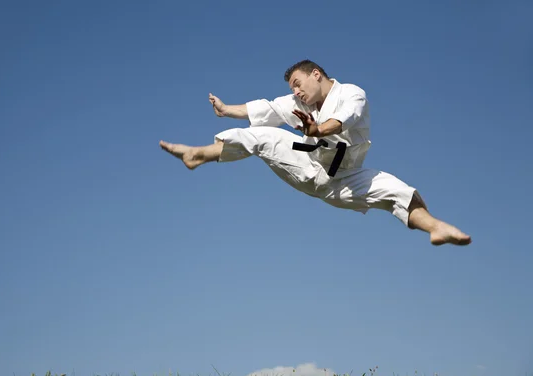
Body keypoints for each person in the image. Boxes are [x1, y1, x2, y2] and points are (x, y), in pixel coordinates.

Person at [159, 60, 471, 246]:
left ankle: (436, 228)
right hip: (307, 165)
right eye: (292, 88)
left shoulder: (351, 93)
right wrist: (226, 110)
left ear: (316, 74)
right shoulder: (299, 103)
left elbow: (343, 120)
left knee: (396, 189)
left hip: (344, 180)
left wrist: (316, 130)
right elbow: (267, 108)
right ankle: (199, 155)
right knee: (263, 135)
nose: (295, 91)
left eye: (298, 83)